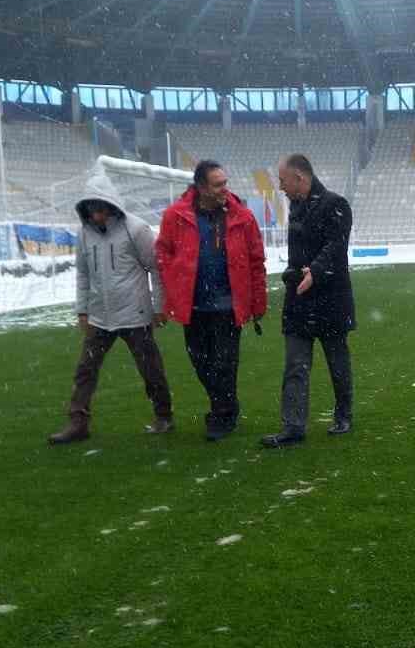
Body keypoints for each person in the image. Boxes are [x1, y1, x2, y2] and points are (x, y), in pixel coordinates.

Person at [48, 169, 172, 445]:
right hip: (100, 317)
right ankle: (78, 423)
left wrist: (159, 306)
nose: (97, 216)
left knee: (150, 369)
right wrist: (82, 310)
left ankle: (164, 416)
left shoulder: (137, 229)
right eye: (92, 210)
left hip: (135, 314)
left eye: (101, 210)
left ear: (112, 207)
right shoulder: (84, 234)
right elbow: (82, 273)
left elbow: (156, 268)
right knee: (85, 370)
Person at [155, 160, 267, 441]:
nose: (224, 189)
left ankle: (221, 415)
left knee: (225, 363)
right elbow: (163, 254)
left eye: (225, 182)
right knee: (200, 362)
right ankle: (227, 405)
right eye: (218, 184)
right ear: (201, 187)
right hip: (193, 305)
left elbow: (256, 260)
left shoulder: (243, 216)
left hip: (229, 304)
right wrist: (174, 282)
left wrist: (258, 301)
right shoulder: (175, 216)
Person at [262, 153, 355, 448]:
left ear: (299, 178)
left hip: (330, 297)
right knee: (295, 364)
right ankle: (293, 426)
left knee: (336, 361)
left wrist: (314, 271)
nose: (280, 187)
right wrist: (296, 274)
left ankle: (343, 414)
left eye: (282, 180)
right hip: (299, 299)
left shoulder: (336, 205)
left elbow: (336, 247)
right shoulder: (296, 207)